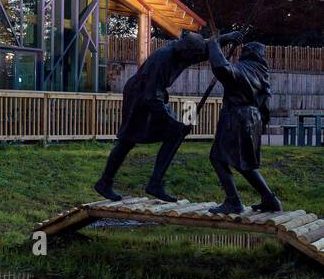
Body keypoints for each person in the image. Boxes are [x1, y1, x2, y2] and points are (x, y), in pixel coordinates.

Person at [95, 29, 242, 203]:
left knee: (174, 134)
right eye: (193, 56)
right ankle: (107, 182)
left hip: (152, 94)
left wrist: (228, 37)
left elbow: (208, 46)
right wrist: (171, 122)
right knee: (130, 140)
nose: (196, 59)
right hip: (141, 96)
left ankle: (154, 183)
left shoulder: (185, 49)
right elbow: (151, 97)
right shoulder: (163, 59)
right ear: (186, 52)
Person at [206, 37, 281, 214]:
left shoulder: (244, 69)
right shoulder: (261, 72)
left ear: (246, 54)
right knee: (244, 162)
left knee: (217, 158)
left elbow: (222, 68)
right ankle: (270, 199)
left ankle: (233, 202)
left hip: (236, 117)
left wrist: (213, 45)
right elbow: (264, 104)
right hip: (253, 118)